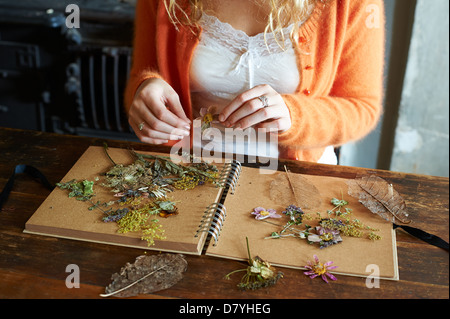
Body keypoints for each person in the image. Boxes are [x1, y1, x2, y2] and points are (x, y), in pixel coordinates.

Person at [124, 0, 385, 164]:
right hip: (186, 165)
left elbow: (362, 108)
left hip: (294, 174)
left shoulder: (355, 4)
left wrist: (294, 117)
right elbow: (141, 78)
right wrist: (144, 89)